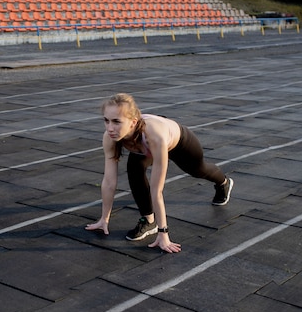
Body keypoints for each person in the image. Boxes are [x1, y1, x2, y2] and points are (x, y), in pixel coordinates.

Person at [85, 93, 233, 253]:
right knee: (134, 170)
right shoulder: (110, 137)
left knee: (199, 170)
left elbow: (157, 191)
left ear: (133, 122)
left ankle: (223, 183)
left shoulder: (154, 137)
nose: (110, 128)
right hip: (139, 142)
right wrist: (104, 219)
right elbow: (108, 182)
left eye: (116, 122)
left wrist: (164, 234)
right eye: (106, 120)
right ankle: (148, 220)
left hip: (178, 141)